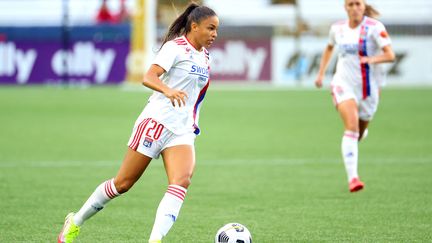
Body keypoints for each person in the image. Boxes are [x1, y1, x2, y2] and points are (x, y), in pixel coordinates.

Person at [58, 3, 219, 242]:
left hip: (182, 131)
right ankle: (76, 221)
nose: (215, 34)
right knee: (122, 184)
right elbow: (148, 76)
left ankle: (154, 240)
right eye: (210, 28)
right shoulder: (175, 48)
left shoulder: (205, 57)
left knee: (181, 182)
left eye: (217, 29)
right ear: (194, 26)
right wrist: (168, 90)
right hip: (155, 122)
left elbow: (197, 96)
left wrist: (192, 122)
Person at [315, 0, 395, 192]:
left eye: (357, 4)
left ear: (363, 6)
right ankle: (353, 179)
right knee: (351, 126)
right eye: (350, 4)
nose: (354, 8)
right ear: (345, 8)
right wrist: (320, 74)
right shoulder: (337, 29)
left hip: (369, 88)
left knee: (359, 129)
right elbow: (329, 47)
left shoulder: (374, 28)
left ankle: (359, 133)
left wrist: (370, 59)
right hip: (343, 84)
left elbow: (390, 55)